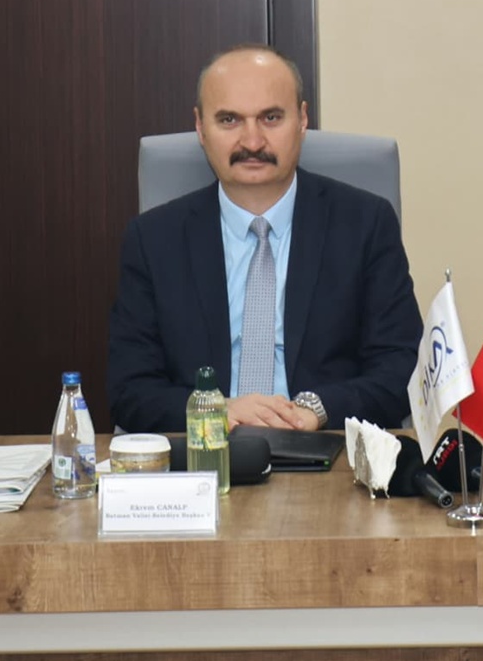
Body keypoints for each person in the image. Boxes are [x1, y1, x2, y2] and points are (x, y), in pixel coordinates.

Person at [108, 44, 421, 433]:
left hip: (324, 447)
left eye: (271, 118)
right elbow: (130, 389)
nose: (252, 142)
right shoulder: (154, 240)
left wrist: (315, 410)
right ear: (200, 127)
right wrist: (217, 411)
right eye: (229, 120)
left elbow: (401, 368)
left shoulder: (365, 225)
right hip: (206, 452)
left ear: (302, 119)